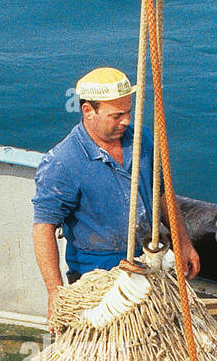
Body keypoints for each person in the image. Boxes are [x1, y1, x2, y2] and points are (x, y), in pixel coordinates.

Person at [32, 66, 201, 320]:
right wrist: (55, 292)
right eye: (116, 115)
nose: (127, 121)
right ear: (88, 111)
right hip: (96, 276)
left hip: (148, 263)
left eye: (129, 112)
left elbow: (163, 194)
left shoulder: (142, 140)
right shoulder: (62, 162)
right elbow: (43, 228)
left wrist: (184, 243)